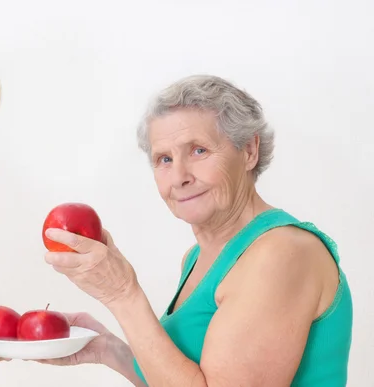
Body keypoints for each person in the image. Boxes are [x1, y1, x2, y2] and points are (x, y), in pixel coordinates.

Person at [38, 75, 353, 386]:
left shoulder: (282, 253)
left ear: (249, 151)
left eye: (199, 151)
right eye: (164, 159)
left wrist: (122, 294)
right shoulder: (198, 257)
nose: (179, 177)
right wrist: (109, 349)